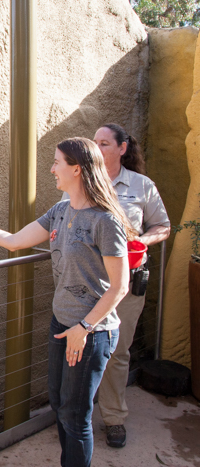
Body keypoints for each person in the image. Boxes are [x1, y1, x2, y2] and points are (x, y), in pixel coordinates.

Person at [0, 137, 135, 467]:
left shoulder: (105, 221)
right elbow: (15, 242)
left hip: (90, 332)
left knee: (75, 417)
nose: (52, 168)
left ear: (77, 168)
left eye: (57, 162)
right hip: (62, 325)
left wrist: (84, 328)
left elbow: (120, 286)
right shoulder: (60, 211)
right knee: (60, 405)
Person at [90, 124, 170, 448]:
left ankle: (113, 418)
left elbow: (162, 226)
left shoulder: (141, 186)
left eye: (104, 143)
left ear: (122, 148)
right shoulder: (82, 181)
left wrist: (142, 240)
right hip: (88, 281)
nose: (97, 148)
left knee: (117, 351)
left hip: (127, 283)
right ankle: (76, 416)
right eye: (94, 143)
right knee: (80, 349)